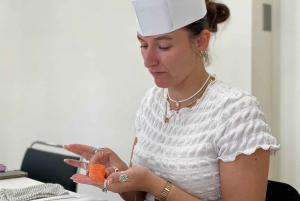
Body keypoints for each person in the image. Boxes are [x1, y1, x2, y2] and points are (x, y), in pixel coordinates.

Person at [63, 0, 280, 200]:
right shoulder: (152, 101)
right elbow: (138, 196)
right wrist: (118, 172)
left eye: (163, 47)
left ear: (201, 42)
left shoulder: (236, 112)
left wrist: (154, 184)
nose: (149, 61)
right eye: (143, 45)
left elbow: (151, 186)